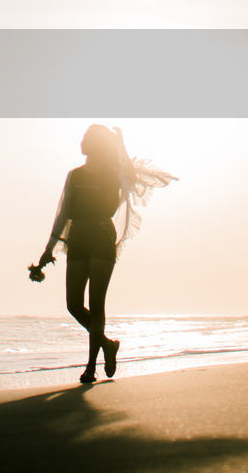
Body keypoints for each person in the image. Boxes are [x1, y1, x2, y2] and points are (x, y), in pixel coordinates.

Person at [32, 125, 175, 384]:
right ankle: (108, 345)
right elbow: (63, 214)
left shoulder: (115, 174)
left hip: (102, 236)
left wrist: (121, 145)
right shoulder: (74, 176)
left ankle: (90, 367)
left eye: (86, 138)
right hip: (78, 238)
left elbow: (131, 176)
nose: (82, 141)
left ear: (97, 144)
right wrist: (48, 250)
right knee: (73, 304)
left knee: (97, 305)